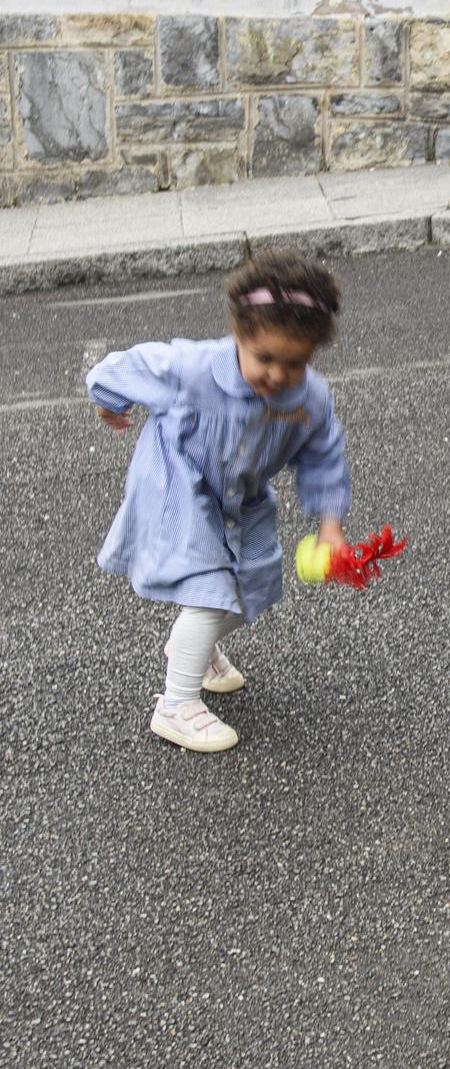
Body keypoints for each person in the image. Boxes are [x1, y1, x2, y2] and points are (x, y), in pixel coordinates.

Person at [87, 249, 350, 754]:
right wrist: (108, 400)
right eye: (264, 358)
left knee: (255, 584)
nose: (276, 374)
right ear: (238, 331)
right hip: (178, 486)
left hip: (242, 498)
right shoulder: (191, 369)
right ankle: (176, 704)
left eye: (294, 363)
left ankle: (197, 649)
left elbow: (324, 458)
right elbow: (127, 366)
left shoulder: (309, 400)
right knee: (209, 591)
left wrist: (330, 525)